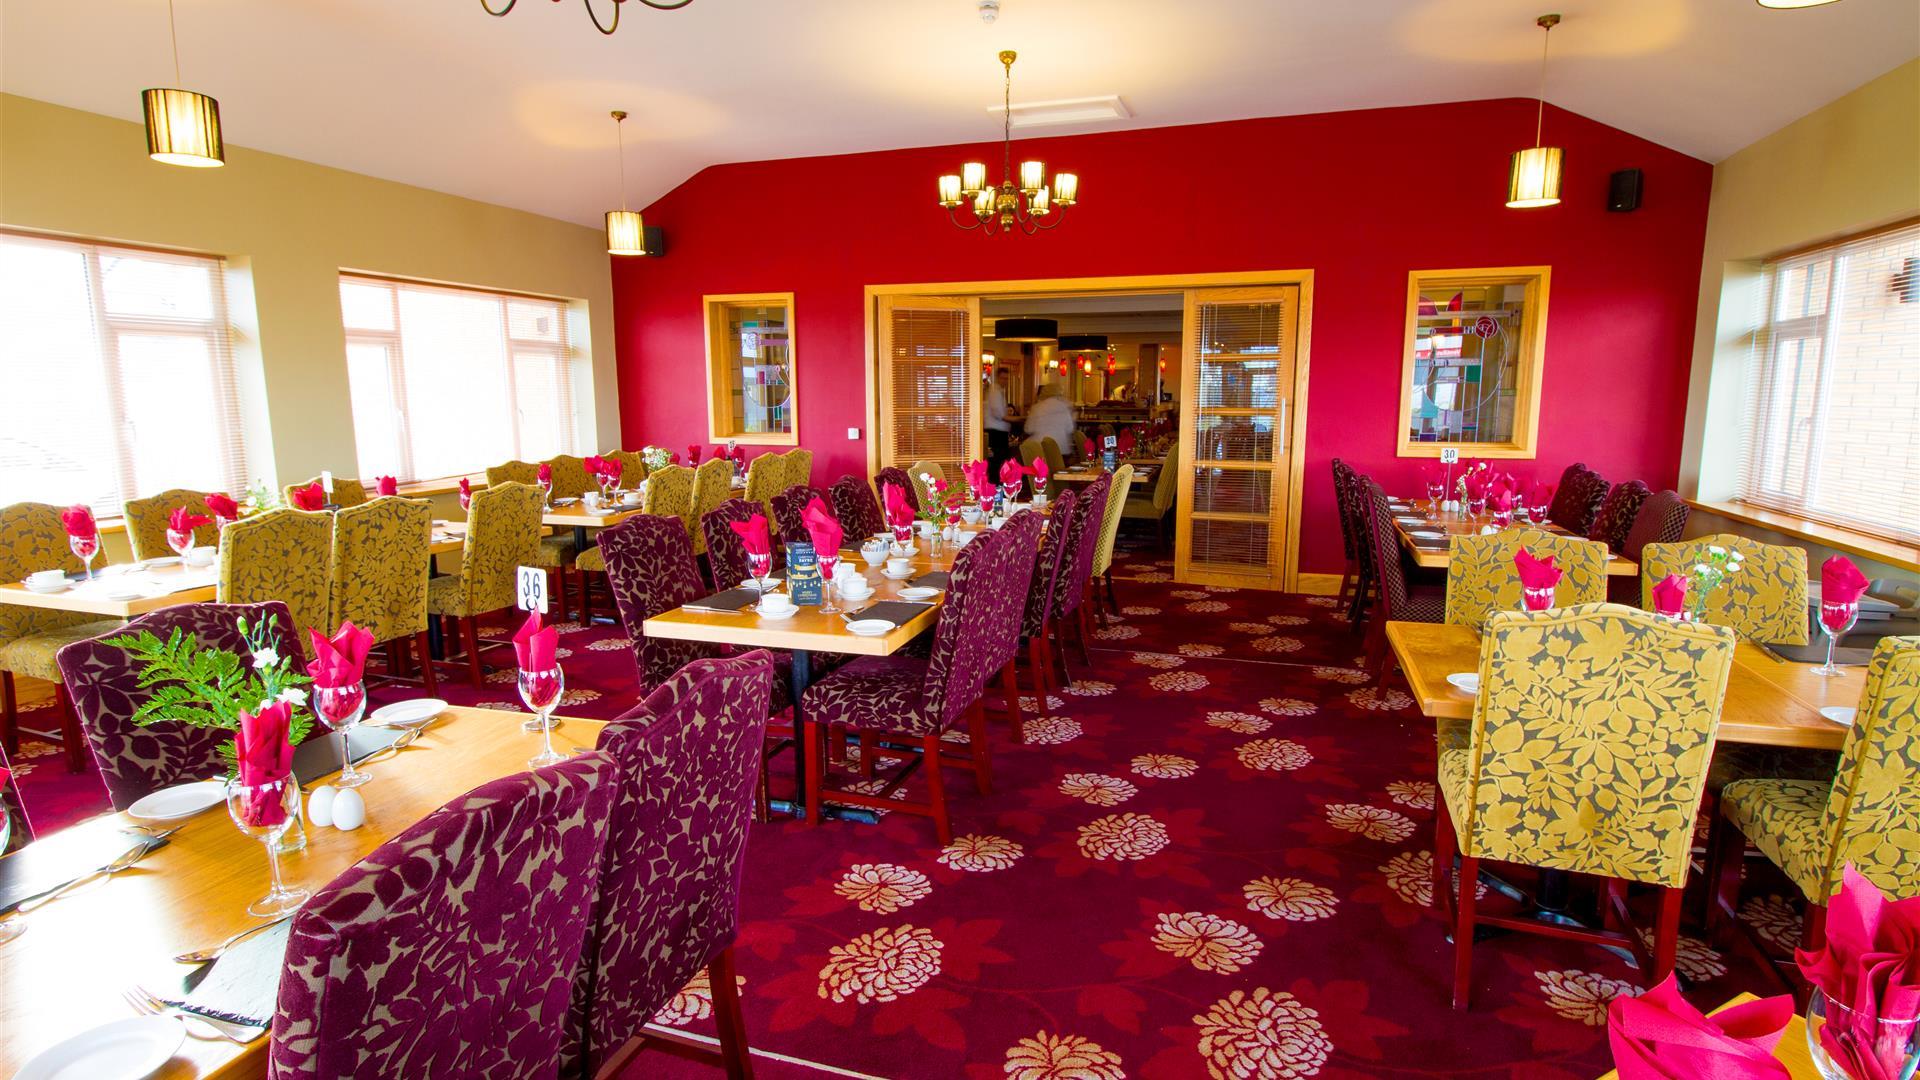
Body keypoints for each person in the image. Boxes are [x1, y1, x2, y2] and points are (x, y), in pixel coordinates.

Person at [1025, 382, 1077, 462]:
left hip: (1040, 447)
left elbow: (1028, 429)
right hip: (1060, 448)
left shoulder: (1037, 407)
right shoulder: (1064, 407)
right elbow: (1070, 429)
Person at [985, 371, 1012, 471]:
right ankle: (996, 485)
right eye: (1003, 378)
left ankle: (998, 484)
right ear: (997, 378)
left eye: (1006, 378)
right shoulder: (995, 392)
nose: (1005, 381)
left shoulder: (998, 392)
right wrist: (1020, 418)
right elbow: (999, 415)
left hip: (998, 433)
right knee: (997, 462)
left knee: (999, 462)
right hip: (995, 433)